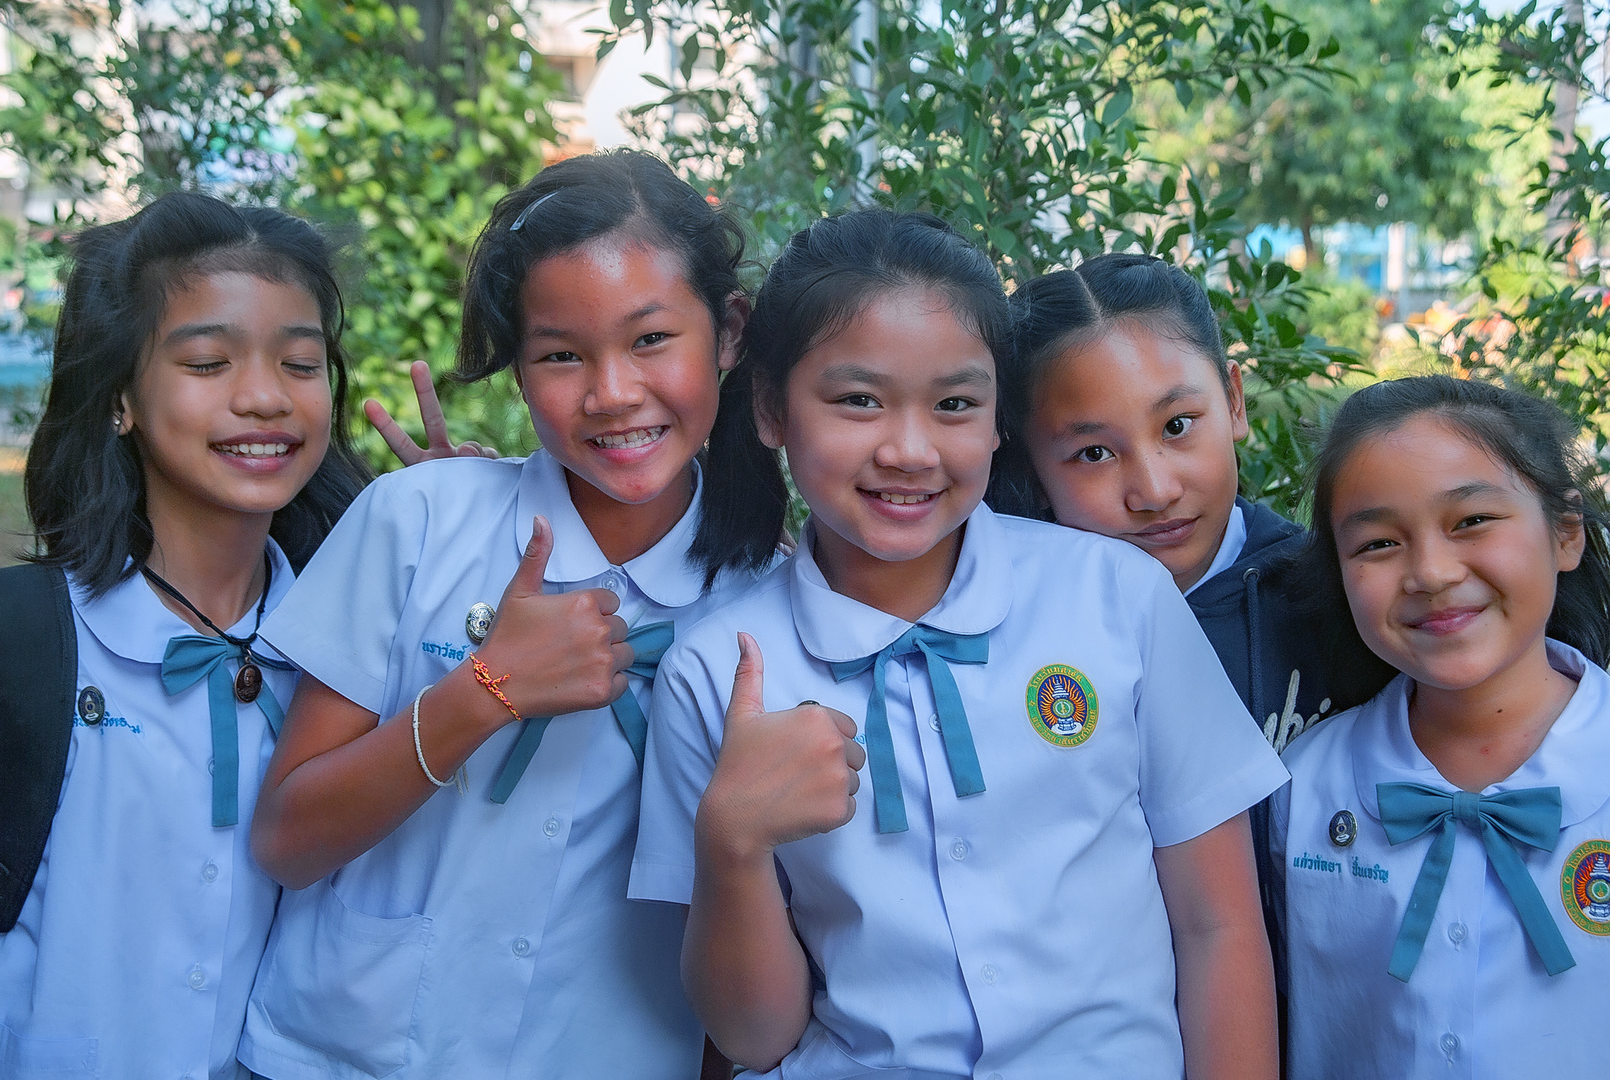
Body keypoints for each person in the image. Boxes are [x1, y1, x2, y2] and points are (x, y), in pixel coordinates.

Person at [630, 210, 1289, 1079]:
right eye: (858, 401)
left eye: (953, 405)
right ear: (768, 407)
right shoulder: (716, 672)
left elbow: (1219, 927)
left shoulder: (1116, 598)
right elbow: (754, 1037)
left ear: (996, 420)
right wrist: (733, 842)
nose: (909, 451)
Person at [238, 150, 770, 1080]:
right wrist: (484, 692)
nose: (611, 393)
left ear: (728, 331)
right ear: (518, 373)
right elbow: (287, 839)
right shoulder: (417, 521)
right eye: (561, 354)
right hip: (345, 1054)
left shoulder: (767, 606)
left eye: (651, 340)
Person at [0, 191, 368, 1079]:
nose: (265, 398)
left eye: (301, 363)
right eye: (207, 363)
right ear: (121, 396)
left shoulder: (357, 655)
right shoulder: (20, 644)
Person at [1270, 375, 1610, 1077]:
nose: (1430, 571)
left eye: (1471, 522)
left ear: (1566, 532)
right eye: (1378, 544)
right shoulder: (1299, 787)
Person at [996, 255, 1392, 750]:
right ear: (1031, 469)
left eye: (1177, 425)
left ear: (1233, 401)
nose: (1156, 491)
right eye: (1094, 453)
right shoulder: (1006, 630)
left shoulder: (1339, 602)